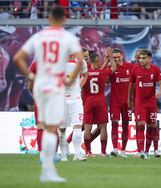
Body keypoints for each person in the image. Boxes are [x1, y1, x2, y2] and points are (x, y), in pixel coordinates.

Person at [13, 7, 83, 182]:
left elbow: (18, 58)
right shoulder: (68, 37)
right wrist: (71, 79)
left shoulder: (39, 36)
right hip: (55, 84)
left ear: (50, 18)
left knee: (43, 126)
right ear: (64, 19)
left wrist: (30, 76)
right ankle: (48, 171)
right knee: (52, 128)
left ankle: (46, 164)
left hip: (40, 84)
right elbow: (80, 60)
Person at [128, 49, 161, 159]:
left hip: (151, 103)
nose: (141, 60)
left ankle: (155, 150)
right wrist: (129, 99)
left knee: (152, 126)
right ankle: (141, 151)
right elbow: (131, 86)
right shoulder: (135, 70)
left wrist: (160, 91)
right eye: (140, 58)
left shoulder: (156, 70)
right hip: (139, 103)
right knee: (140, 125)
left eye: (144, 58)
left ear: (149, 59)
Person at [82, 52, 116, 157]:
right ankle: (103, 152)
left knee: (87, 127)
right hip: (100, 102)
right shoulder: (102, 72)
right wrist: (110, 58)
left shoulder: (85, 73)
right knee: (103, 127)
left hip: (88, 102)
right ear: (97, 61)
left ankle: (88, 152)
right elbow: (114, 69)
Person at [58, 53, 88, 162]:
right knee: (62, 129)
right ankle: (63, 154)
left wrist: (78, 87)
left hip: (76, 99)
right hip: (61, 100)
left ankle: (77, 154)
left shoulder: (81, 62)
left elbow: (85, 75)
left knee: (78, 126)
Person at [107, 48, 133, 158]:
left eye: (118, 57)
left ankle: (123, 150)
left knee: (126, 125)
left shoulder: (130, 67)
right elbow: (105, 81)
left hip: (127, 102)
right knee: (114, 123)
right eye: (114, 57)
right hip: (115, 102)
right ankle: (115, 148)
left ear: (122, 56)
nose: (117, 59)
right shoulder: (111, 69)